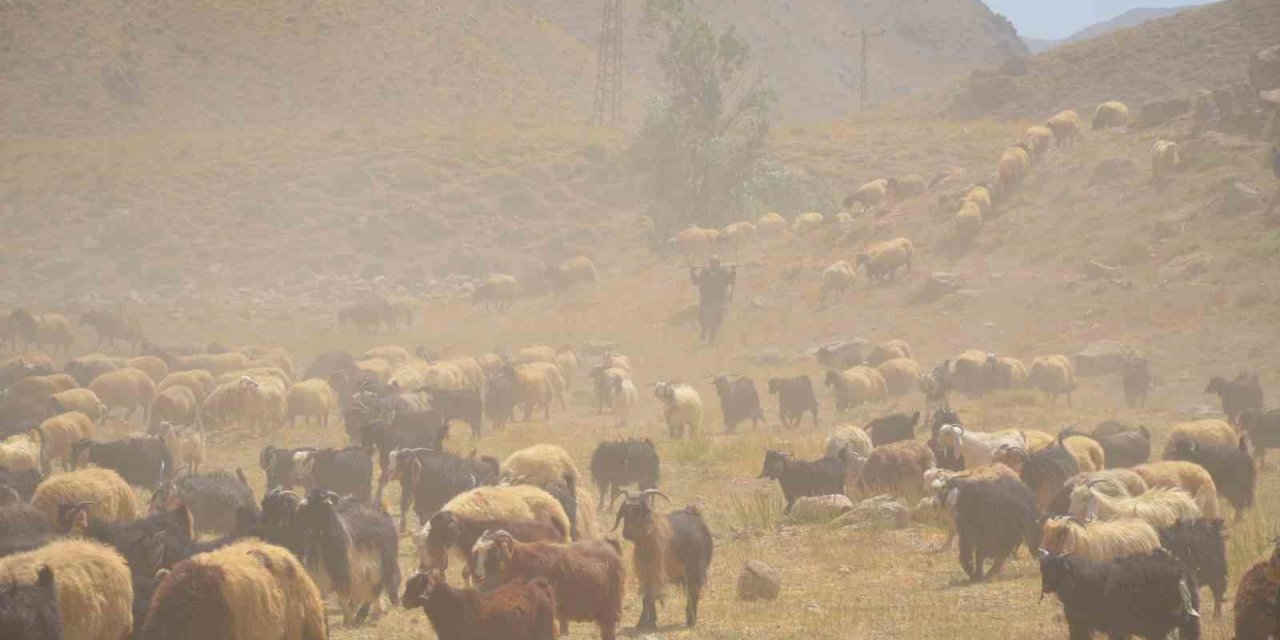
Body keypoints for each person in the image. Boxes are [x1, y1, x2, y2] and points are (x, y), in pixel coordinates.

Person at [689, 255, 736, 343]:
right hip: (705, 300)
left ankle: (712, 336)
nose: (713, 265)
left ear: (718, 264)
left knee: (717, 320)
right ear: (709, 264)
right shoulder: (704, 273)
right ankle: (704, 331)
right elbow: (695, 282)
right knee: (702, 318)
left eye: (715, 263)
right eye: (712, 263)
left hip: (719, 299)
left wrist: (733, 271)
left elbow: (730, 281)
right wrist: (692, 272)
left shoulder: (723, 273)